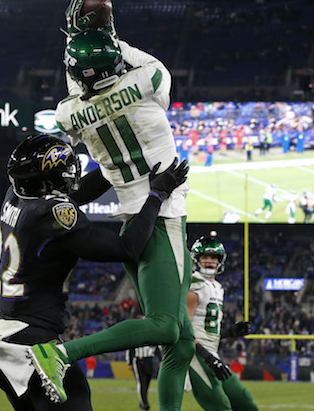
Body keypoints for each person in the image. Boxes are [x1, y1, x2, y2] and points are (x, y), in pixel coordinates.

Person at [31, 29, 195, 410]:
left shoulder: (68, 114)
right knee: (165, 325)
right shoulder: (148, 79)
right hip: (161, 216)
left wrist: (74, 38)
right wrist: (109, 33)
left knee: (183, 339)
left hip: (131, 221)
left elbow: (79, 83)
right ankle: (61, 353)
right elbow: (141, 65)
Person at [0, 134, 186, 410]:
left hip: (5, 338)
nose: (72, 177)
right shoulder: (53, 215)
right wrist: (156, 195)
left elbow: (75, 193)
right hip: (33, 344)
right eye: (65, 172)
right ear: (48, 181)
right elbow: (128, 248)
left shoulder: (15, 196)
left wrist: (113, 172)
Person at [186, 235, 258, 411]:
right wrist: (206, 356)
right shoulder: (194, 285)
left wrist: (230, 332)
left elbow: (206, 328)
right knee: (220, 406)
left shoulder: (217, 287)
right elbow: (183, 329)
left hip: (211, 353)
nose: (210, 261)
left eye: (214, 257)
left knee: (244, 400)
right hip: (194, 355)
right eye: (205, 257)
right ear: (196, 259)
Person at [127, 344, 162, 410]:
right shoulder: (136, 337)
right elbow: (131, 348)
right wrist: (130, 362)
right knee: (141, 382)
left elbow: (156, 347)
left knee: (147, 383)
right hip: (139, 359)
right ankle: (144, 404)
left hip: (149, 359)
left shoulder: (152, 337)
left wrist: (160, 359)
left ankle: (142, 402)